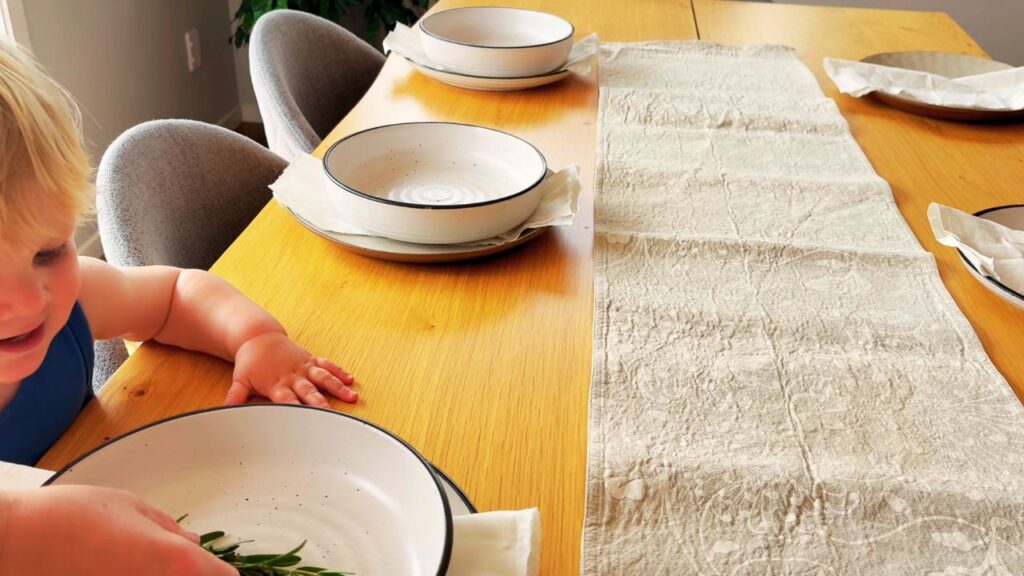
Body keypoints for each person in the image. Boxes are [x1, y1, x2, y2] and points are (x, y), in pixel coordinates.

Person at [0, 42, 355, 573]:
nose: (29, 302)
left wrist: (255, 337)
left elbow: (173, 295)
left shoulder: (71, 304)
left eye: (50, 251)